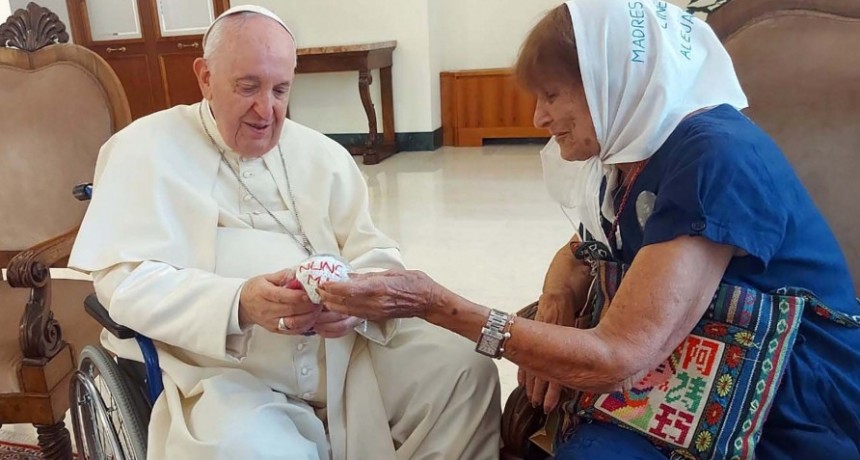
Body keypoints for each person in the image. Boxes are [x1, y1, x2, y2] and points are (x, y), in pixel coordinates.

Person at [317, 1, 860, 459]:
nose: (538, 119)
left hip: (791, 388)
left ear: (609, 78)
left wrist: (434, 303)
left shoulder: (713, 156)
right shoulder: (636, 151)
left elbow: (620, 355)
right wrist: (556, 299)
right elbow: (583, 250)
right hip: (695, 354)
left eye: (551, 95)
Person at [69, 5, 500, 459]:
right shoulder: (143, 149)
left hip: (345, 354)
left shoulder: (322, 154)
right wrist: (239, 303)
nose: (266, 109)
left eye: (280, 90)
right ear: (204, 76)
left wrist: (357, 301)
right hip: (223, 373)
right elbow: (125, 283)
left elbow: (374, 250)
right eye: (248, 87)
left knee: (463, 371)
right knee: (250, 449)